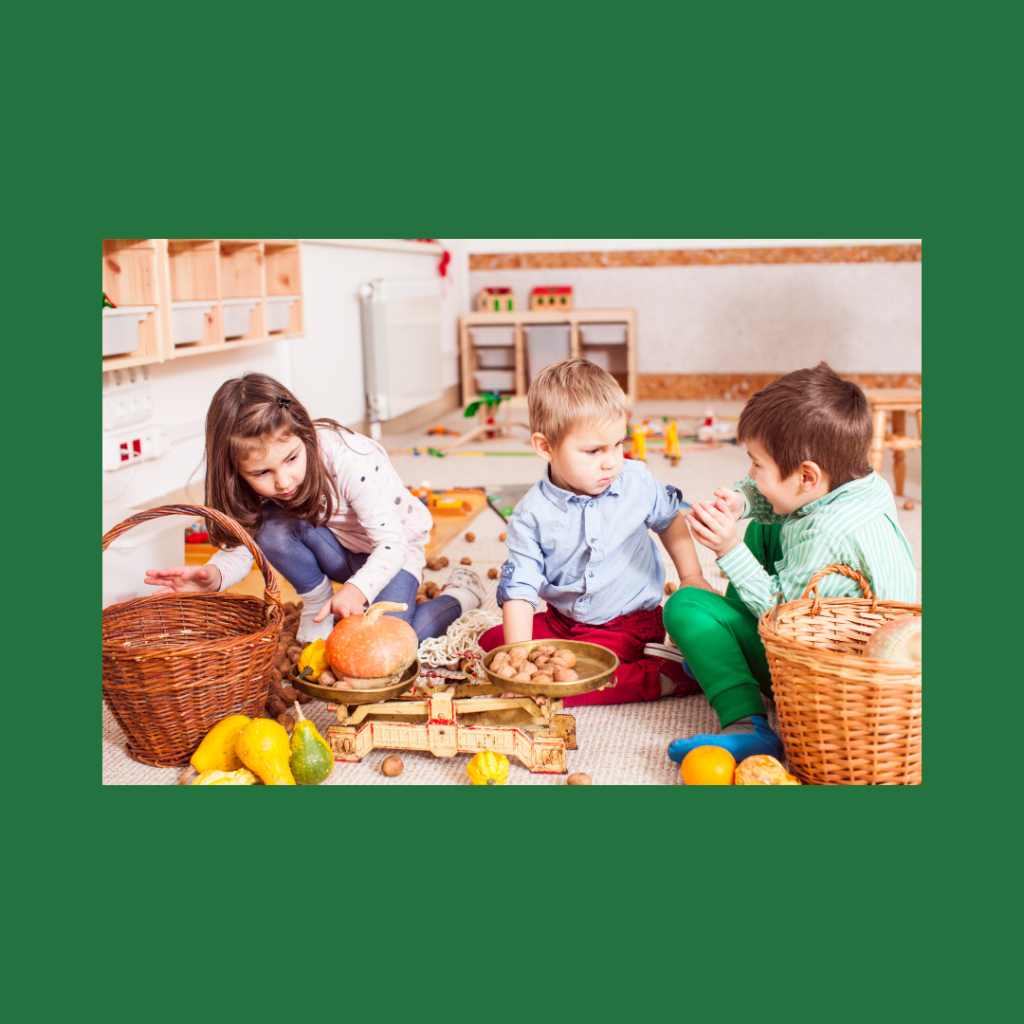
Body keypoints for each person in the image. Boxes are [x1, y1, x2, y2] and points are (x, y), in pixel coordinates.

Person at [664, 362, 917, 764]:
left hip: (822, 679)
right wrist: (743, 500)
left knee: (685, 606)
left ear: (807, 476)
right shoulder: (864, 485)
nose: (748, 472)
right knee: (764, 529)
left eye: (756, 465)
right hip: (849, 641)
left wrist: (727, 550)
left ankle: (747, 724)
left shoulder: (826, 533)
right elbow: (786, 501)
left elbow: (782, 618)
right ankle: (725, 646)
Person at [145, 372, 483, 644]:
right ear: (236, 472)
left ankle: (459, 596)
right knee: (270, 528)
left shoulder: (349, 458)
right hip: (339, 549)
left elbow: (392, 544)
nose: (283, 482)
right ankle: (317, 601)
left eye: (291, 458)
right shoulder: (257, 480)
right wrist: (215, 576)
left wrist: (356, 589)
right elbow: (243, 548)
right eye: (262, 473)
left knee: (395, 640)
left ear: (304, 433)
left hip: (393, 551)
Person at [478, 358, 713, 707]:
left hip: (628, 625)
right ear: (546, 447)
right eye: (594, 451)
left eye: (619, 444)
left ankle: (662, 676)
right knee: (492, 644)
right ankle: (625, 666)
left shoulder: (635, 482)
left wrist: (691, 575)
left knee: (574, 686)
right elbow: (520, 589)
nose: (611, 461)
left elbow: (669, 518)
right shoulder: (530, 515)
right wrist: (519, 661)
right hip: (563, 623)